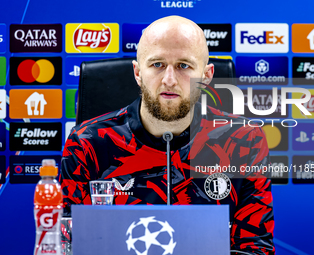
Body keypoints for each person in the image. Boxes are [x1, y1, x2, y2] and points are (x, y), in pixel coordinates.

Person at [60, 16, 275, 254]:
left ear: (206, 75)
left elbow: (254, 248)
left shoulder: (243, 140)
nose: (169, 80)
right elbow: (68, 244)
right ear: (138, 72)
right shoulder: (88, 142)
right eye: (157, 64)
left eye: (184, 65)